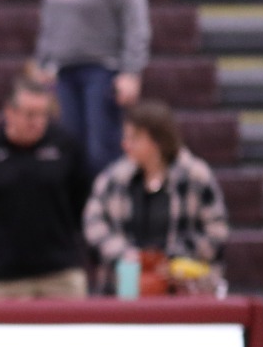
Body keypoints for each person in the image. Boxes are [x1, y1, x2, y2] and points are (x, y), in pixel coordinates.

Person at [34, 0, 150, 177]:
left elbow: (135, 17)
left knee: (101, 152)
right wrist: (43, 61)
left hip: (102, 69)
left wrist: (132, 70)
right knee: (69, 150)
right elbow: (50, 17)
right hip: (64, 71)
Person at [0, 77, 92, 299]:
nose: (38, 122)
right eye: (30, 114)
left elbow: (84, 203)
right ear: (9, 112)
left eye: (44, 114)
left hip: (62, 275)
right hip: (4, 278)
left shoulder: (66, 145)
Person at [82, 100, 229, 276]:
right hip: (125, 287)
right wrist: (125, 256)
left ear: (157, 140)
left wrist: (174, 259)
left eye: (134, 138)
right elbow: (93, 222)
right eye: (125, 138)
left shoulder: (195, 176)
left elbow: (217, 230)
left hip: (182, 288)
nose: (125, 145)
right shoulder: (113, 179)